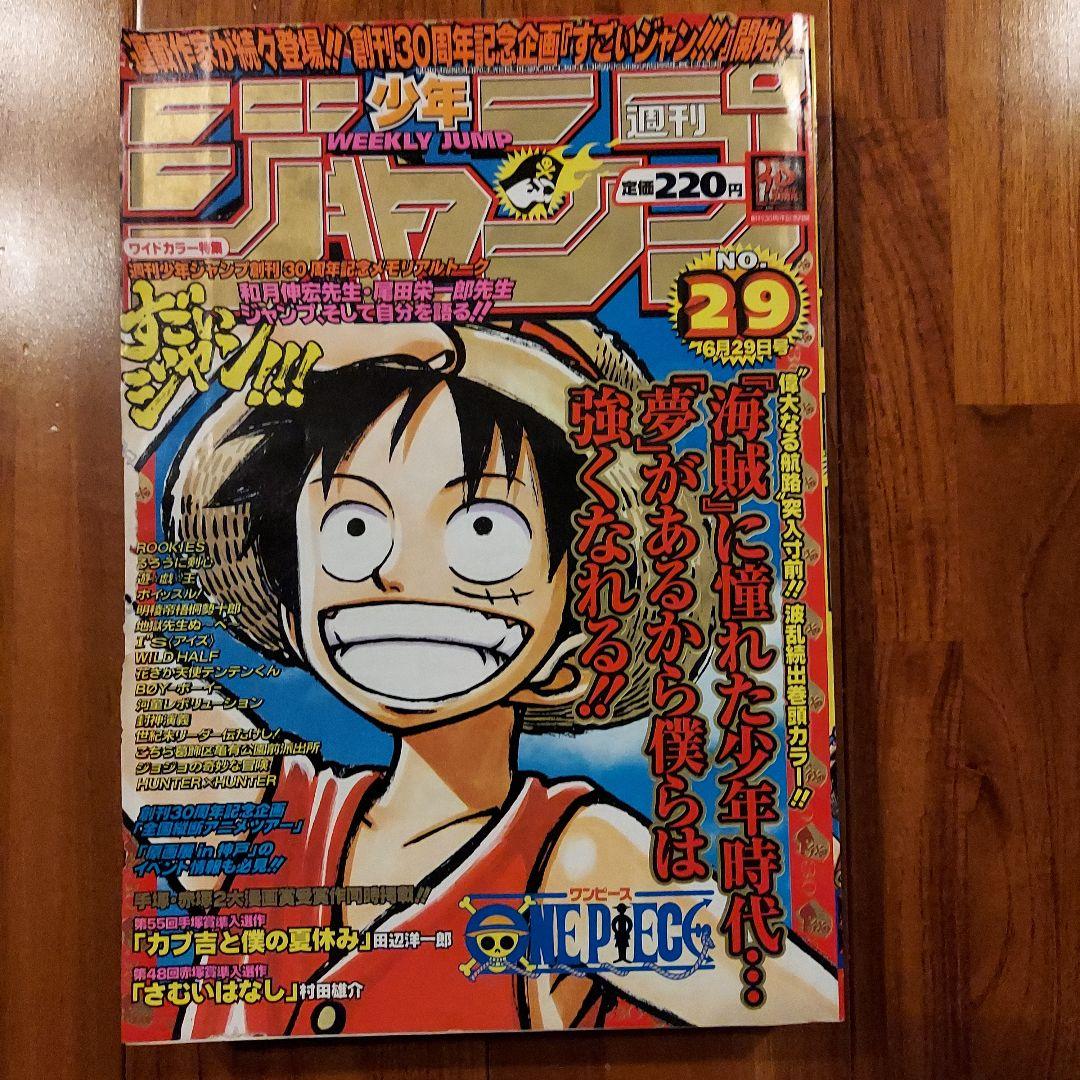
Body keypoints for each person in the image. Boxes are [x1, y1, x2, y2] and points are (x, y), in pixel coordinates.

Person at [125, 320, 837, 1039]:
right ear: (293, 599)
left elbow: (799, 1000)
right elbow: (92, 563)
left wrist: (450, 348)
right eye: (353, 529)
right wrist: (252, 352)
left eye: (484, 532)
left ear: (572, 635)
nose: (397, 574)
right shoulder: (265, 819)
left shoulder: (574, 863)